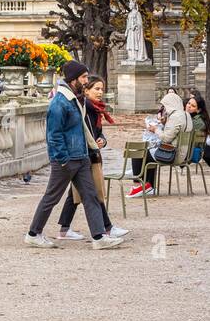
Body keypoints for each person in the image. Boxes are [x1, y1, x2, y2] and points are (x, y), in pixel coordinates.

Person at [26, 61, 123, 249]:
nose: (86, 81)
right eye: (84, 77)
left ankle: (98, 238)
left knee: (91, 196)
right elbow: (53, 135)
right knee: (51, 198)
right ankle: (33, 233)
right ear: (73, 79)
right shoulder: (60, 102)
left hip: (80, 157)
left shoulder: (74, 99)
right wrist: (62, 159)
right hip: (67, 160)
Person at [55, 75, 128, 240]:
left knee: (78, 194)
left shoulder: (95, 108)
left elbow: (97, 132)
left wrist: (103, 139)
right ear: (86, 91)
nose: (100, 92)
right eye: (96, 88)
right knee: (93, 192)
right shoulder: (85, 107)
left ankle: (64, 230)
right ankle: (107, 228)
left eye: (102, 89)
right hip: (85, 155)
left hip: (89, 153)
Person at [131, 93, 191, 196]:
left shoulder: (175, 117)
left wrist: (155, 129)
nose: (165, 108)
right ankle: (149, 186)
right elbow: (174, 131)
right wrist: (165, 123)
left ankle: (138, 184)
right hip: (183, 153)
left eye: (165, 105)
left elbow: (166, 138)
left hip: (172, 154)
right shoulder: (185, 114)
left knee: (139, 153)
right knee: (149, 155)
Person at [186, 91, 207, 164]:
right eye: (188, 103)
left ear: (198, 110)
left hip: (190, 153)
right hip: (186, 150)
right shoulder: (189, 118)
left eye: (193, 106)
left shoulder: (198, 121)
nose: (188, 106)